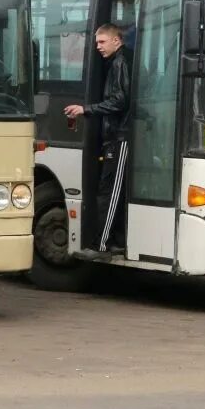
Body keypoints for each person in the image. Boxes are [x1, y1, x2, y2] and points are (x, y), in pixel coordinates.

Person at [64, 23, 131, 254]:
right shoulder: (117, 61)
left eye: (102, 42)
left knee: (109, 192)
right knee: (111, 191)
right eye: (96, 42)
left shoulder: (120, 63)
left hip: (120, 137)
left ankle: (103, 245)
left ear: (116, 41)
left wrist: (87, 109)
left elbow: (120, 100)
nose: (98, 47)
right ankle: (114, 241)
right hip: (115, 136)